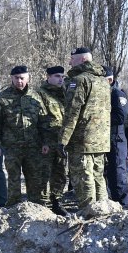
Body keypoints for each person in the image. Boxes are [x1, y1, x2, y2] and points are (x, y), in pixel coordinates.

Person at [0, 65, 51, 206]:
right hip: (12, 147)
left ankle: (36, 208)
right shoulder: (2, 98)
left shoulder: (36, 97)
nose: (19, 81)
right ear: (11, 78)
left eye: (22, 78)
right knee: (13, 180)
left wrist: (46, 142)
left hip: (33, 147)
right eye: (16, 78)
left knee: (35, 180)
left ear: (28, 78)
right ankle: (13, 210)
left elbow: (44, 121)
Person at [58, 47, 111, 211]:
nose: (69, 62)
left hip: (82, 141)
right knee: (98, 176)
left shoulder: (79, 81)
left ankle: (88, 212)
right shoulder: (103, 81)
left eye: (72, 59)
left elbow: (72, 114)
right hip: (100, 141)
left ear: (81, 60)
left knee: (83, 177)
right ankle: (102, 211)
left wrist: (62, 140)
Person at [37, 65, 69, 215]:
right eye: (57, 76)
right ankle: (42, 204)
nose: (60, 79)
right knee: (44, 172)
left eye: (62, 76)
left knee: (60, 172)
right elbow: (37, 119)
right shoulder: (40, 94)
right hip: (47, 141)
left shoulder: (66, 93)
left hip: (62, 140)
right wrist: (42, 141)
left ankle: (57, 201)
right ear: (48, 77)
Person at [104, 67, 128, 208]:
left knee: (119, 172)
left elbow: (121, 117)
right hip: (106, 138)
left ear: (110, 80)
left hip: (116, 138)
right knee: (109, 173)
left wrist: (101, 118)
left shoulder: (117, 94)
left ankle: (123, 203)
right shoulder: (105, 94)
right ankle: (113, 201)